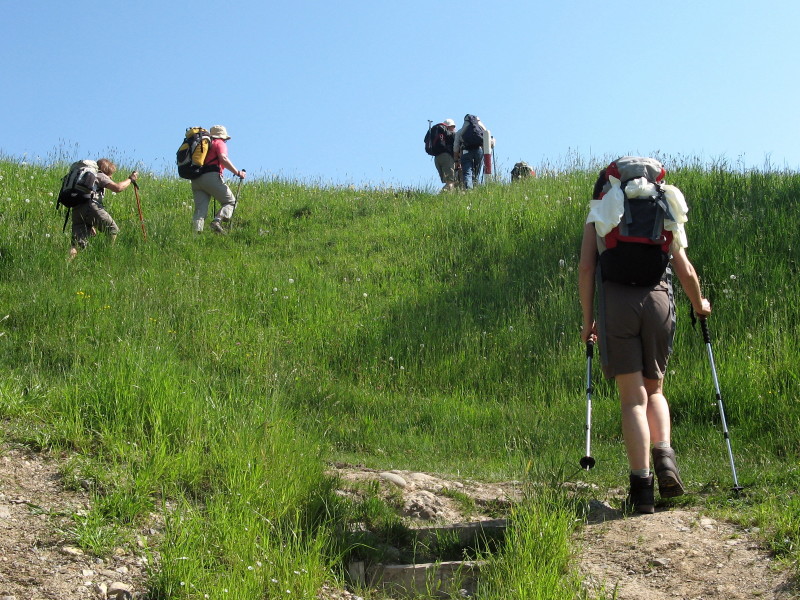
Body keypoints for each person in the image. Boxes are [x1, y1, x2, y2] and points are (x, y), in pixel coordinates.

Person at [578, 158, 712, 514]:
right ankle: (665, 459)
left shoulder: (600, 210)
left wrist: (588, 322)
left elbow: (587, 268)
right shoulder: (664, 206)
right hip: (658, 301)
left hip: (617, 304)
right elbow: (684, 269)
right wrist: (699, 304)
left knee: (632, 400)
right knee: (655, 391)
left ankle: (642, 491)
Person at [69, 159, 138, 260]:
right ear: (106, 171)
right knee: (113, 230)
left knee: (77, 244)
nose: (111, 177)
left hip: (76, 209)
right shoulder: (100, 175)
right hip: (91, 206)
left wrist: (91, 224)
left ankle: (67, 264)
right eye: (110, 174)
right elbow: (118, 188)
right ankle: (107, 258)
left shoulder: (85, 176)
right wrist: (131, 179)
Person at [191, 125, 245, 234]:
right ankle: (217, 221)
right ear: (222, 136)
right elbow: (223, 158)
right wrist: (238, 172)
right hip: (211, 177)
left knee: (200, 210)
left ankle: (196, 236)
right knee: (231, 202)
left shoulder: (203, 145)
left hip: (196, 179)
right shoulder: (219, 143)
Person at [453, 115, 494, 190]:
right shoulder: (482, 129)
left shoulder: (460, 132)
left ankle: (469, 189)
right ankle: (475, 188)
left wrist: (456, 160)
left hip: (466, 151)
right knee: (476, 171)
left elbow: (456, 147)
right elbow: (490, 142)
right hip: (479, 150)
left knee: (467, 172)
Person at [433, 118, 457, 191]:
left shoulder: (439, 134)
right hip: (446, 157)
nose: (454, 128)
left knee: (448, 181)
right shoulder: (450, 134)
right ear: (449, 127)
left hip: (437, 158)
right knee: (450, 181)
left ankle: (446, 194)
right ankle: (443, 195)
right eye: (453, 126)